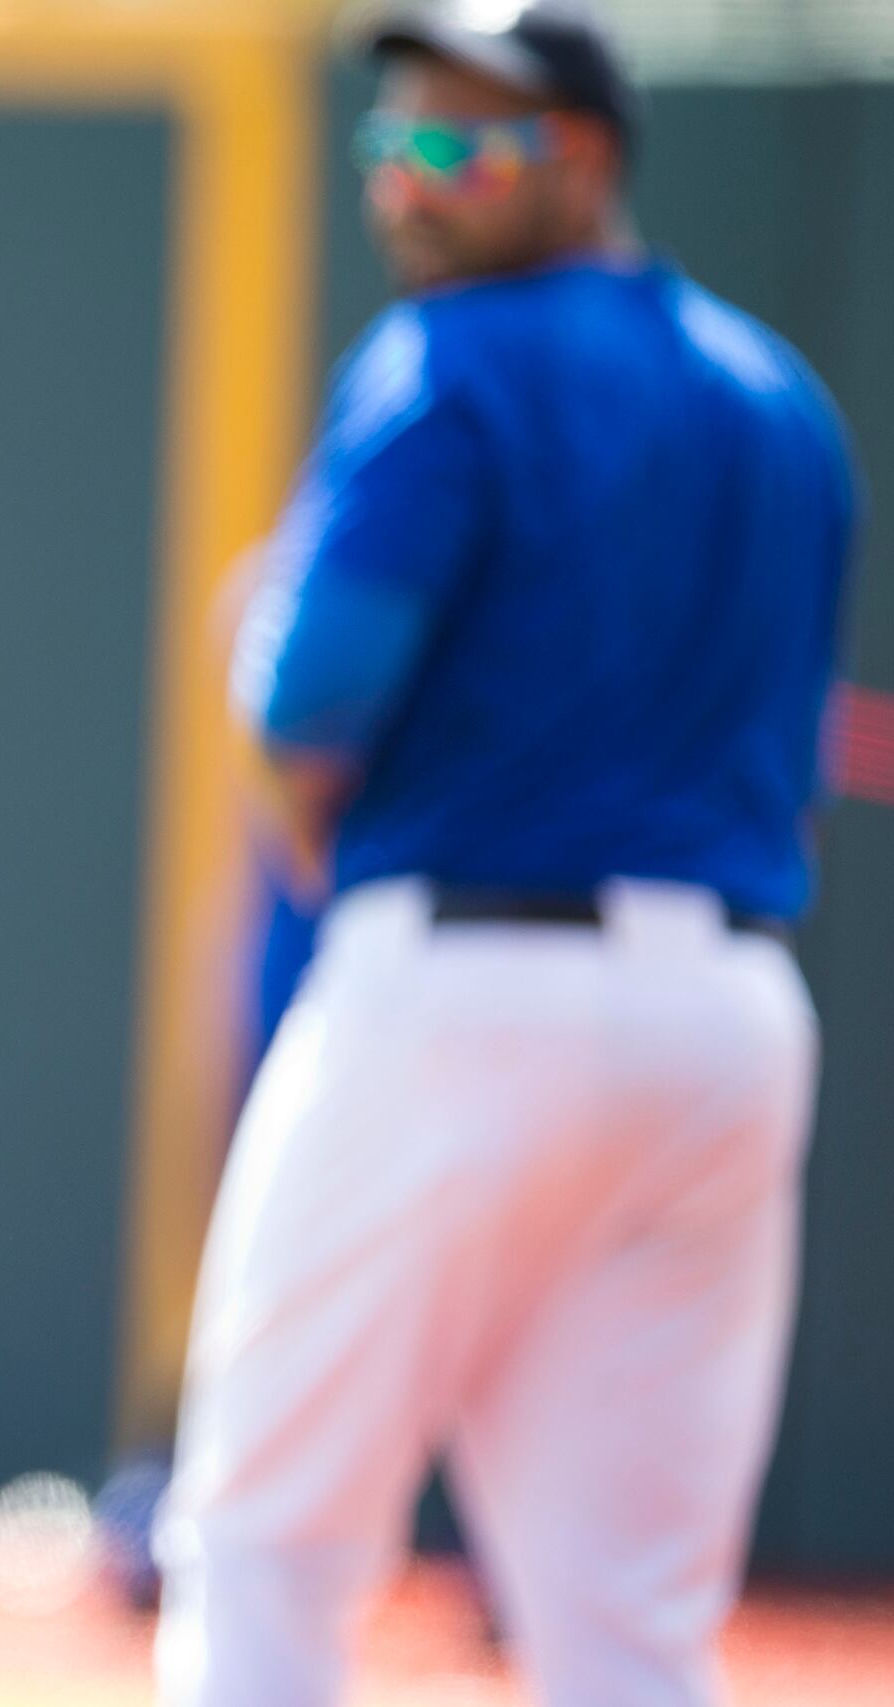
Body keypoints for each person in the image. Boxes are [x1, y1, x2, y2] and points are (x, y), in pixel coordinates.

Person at [155, 4, 858, 1704]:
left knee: (263, 1538)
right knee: (628, 1619)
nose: (413, 180)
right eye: (393, 141)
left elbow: (306, 699)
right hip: (727, 1030)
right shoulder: (783, 398)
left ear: (591, 156)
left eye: (467, 143)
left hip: (465, 992)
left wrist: (258, 667)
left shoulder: (449, 361)